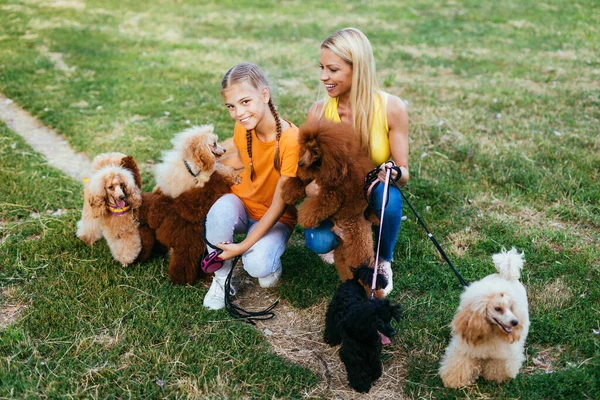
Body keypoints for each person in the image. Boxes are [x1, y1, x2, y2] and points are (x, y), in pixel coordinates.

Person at [304, 28, 409, 296]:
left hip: (371, 188)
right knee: (319, 242)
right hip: (336, 195)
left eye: (333, 69)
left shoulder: (391, 108)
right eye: (322, 67)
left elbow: (404, 173)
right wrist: (309, 190)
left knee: (391, 200)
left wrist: (394, 173)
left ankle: (383, 259)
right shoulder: (318, 112)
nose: (323, 76)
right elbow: (304, 173)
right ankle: (344, 235)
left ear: (357, 68)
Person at [203, 62, 300, 310]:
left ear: (264, 95)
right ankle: (222, 278)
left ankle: (263, 253)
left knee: (258, 266)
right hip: (243, 203)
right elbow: (241, 160)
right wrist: (209, 165)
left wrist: (243, 246)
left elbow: (280, 204)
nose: (239, 113)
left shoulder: (290, 140)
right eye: (231, 107)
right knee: (219, 212)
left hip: (275, 217)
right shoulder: (243, 127)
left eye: (245, 102)